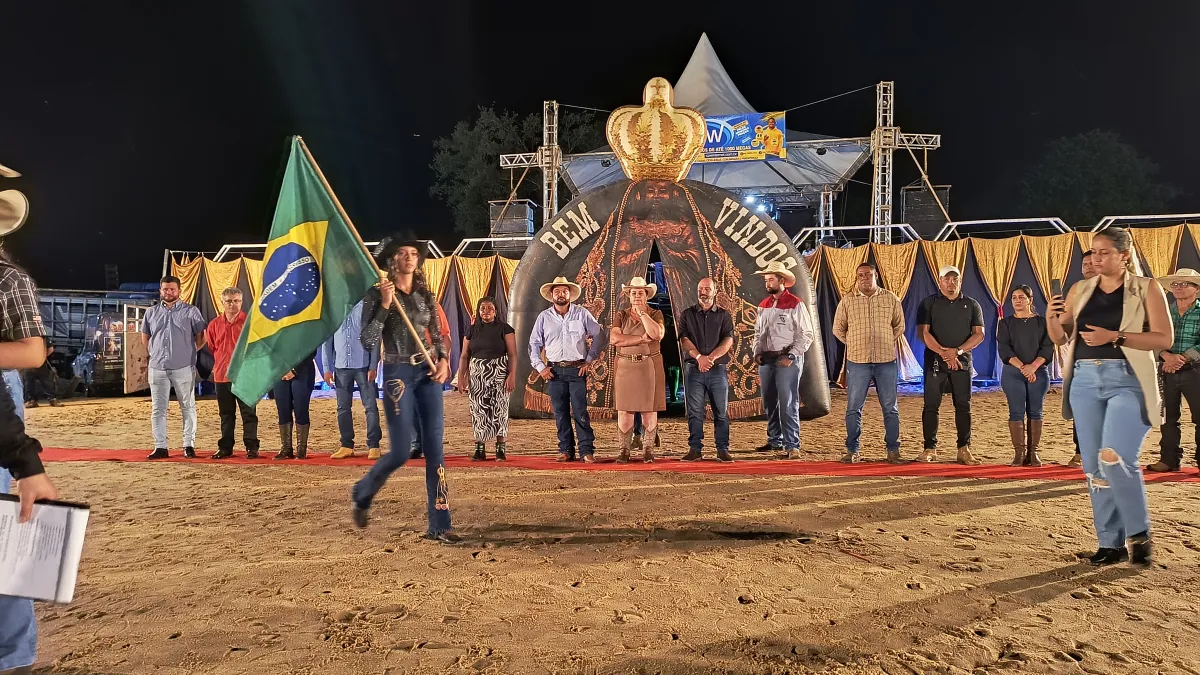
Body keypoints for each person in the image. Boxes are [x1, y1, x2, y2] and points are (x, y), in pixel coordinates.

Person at [1047, 227, 1170, 567]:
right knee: (1094, 468)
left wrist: (1115, 336)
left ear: (1124, 255)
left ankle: (1139, 533)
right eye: (1093, 252)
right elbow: (1060, 338)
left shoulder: (1147, 288)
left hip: (1128, 379)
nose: (1096, 258)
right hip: (1084, 380)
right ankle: (1110, 544)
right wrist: (1051, 317)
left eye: (1104, 252)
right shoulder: (1080, 289)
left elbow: (1163, 338)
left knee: (1113, 458)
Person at [351, 236, 460, 545]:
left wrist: (443, 361)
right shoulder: (376, 295)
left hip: (427, 371)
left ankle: (440, 524)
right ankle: (363, 491)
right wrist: (386, 305)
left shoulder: (425, 294)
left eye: (414, 253)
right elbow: (367, 340)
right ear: (391, 260)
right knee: (400, 451)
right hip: (397, 374)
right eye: (403, 253)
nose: (410, 257)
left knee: (435, 450)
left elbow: (437, 333)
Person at [0, 252, 60, 675]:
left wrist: (25, 462)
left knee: (8, 528)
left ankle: (13, 654)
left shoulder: (8, 278)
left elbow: (34, 352)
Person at [832, 263, 905, 463]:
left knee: (890, 407)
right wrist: (854, 343)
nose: (865, 278)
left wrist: (887, 340)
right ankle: (852, 450)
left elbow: (899, 325)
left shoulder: (890, 298)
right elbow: (837, 329)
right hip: (858, 361)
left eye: (868, 274)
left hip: (886, 361)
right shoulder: (847, 301)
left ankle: (893, 450)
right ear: (857, 277)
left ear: (876, 275)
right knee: (854, 407)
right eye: (861, 275)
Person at [529, 276, 604, 463]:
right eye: (557, 291)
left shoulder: (582, 313)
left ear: (570, 294)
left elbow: (600, 335)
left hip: (576, 369)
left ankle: (586, 450)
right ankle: (566, 450)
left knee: (580, 411)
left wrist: (589, 360)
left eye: (564, 291)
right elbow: (533, 344)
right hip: (554, 371)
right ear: (552, 295)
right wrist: (541, 367)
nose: (561, 294)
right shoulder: (544, 317)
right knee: (560, 412)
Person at [916, 265, 985, 465]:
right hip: (934, 362)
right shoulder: (928, 303)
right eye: (946, 279)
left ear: (960, 281)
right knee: (931, 405)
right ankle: (930, 449)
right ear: (940, 281)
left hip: (962, 362)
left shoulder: (972, 305)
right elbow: (923, 333)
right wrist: (945, 354)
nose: (951, 283)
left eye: (955, 279)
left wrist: (957, 352)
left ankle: (964, 449)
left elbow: (979, 334)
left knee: (963, 405)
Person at [753, 261, 815, 459]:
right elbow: (758, 333)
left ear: (782, 281)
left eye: (771, 279)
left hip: (786, 357)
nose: (767, 283)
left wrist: (792, 354)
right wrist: (757, 352)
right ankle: (775, 440)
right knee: (769, 401)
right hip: (767, 359)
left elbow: (807, 334)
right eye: (766, 280)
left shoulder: (795, 304)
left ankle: (792, 444)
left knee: (788, 401)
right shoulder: (763, 305)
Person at [141, 275, 206, 460]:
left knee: (188, 406)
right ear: (160, 290)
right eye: (165, 289)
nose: (168, 292)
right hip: (157, 368)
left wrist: (188, 352)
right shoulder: (151, 313)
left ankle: (188, 445)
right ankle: (160, 447)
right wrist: (154, 352)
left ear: (179, 290)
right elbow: (145, 337)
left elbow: (202, 336)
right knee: (158, 409)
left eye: (172, 289)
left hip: (183, 367)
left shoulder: (191, 311)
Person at [1149, 268, 1200, 473]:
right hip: (1167, 369)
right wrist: (1166, 356)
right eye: (1175, 284)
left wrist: (1183, 358)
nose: (1178, 287)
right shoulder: (1164, 312)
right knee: (1168, 418)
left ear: (1197, 289)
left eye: (1184, 284)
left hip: (1195, 370)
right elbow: (1152, 337)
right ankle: (1169, 459)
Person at [678, 277, 734, 462]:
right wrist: (699, 357)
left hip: (717, 370)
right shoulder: (687, 314)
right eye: (700, 288)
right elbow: (684, 339)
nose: (703, 292)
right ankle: (695, 449)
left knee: (721, 412)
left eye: (707, 289)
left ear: (715, 291)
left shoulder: (724, 315)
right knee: (695, 412)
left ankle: (722, 449)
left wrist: (710, 359)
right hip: (694, 369)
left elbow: (728, 340)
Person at [997, 285, 1055, 466]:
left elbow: (1047, 348)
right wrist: (1024, 368)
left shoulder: (1043, 323)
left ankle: (1033, 453)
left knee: (1035, 411)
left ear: (1030, 300)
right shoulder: (1005, 324)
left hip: (1039, 373)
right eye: (1014, 297)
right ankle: (1019, 453)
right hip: (1013, 373)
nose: (1017, 300)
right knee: (1016, 411)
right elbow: (1004, 349)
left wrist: (1034, 367)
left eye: (1021, 297)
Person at [611, 276, 666, 463]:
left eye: (640, 293)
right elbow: (615, 339)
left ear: (646, 295)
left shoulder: (656, 314)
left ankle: (648, 449)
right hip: (625, 367)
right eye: (633, 293)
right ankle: (624, 450)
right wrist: (640, 340)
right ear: (629, 295)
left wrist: (642, 314)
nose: (636, 296)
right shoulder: (621, 315)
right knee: (624, 410)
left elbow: (656, 334)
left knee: (649, 409)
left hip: (648, 367)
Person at [456, 297, 516, 461]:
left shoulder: (505, 329)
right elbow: (464, 355)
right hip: (477, 373)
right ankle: (479, 448)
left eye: (490, 308)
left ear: (495, 311)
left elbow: (512, 354)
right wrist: (461, 377)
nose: (486, 311)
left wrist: (512, 375)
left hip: (499, 371)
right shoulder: (472, 330)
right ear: (478, 311)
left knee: (500, 408)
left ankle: (500, 449)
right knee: (478, 409)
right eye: (483, 308)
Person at [324, 300, 383, 461]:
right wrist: (327, 368)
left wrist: (373, 365)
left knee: (370, 406)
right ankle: (346, 445)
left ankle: (374, 445)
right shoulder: (334, 310)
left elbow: (375, 338)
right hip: (341, 366)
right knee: (342, 408)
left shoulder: (367, 308)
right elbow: (327, 341)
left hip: (363, 366)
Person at [206, 288, 259, 459]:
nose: (232, 304)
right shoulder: (214, 325)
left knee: (249, 414)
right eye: (229, 301)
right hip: (222, 376)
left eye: (236, 300)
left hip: (245, 377)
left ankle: (251, 447)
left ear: (242, 302)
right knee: (226, 415)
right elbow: (212, 347)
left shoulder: (251, 323)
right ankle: (225, 448)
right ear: (222, 303)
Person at [1067, 250, 1098, 468]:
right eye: (1084, 263)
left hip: (1112, 359)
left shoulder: (1118, 292)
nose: (1087, 266)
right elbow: (1066, 328)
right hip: (1082, 359)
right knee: (1081, 408)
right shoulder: (1076, 292)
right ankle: (1080, 451)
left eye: (1092, 263)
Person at [410, 303, 451, 461]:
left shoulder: (433, 306)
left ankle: (433, 446)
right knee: (411, 407)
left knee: (431, 409)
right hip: (406, 364)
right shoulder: (397, 306)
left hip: (429, 362)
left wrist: (444, 361)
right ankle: (416, 445)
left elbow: (445, 336)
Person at [272, 351, 316, 460]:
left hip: (303, 371)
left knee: (301, 409)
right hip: (279, 370)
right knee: (283, 410)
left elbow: (311, 350)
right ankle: (286, 448)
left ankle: (301, 448)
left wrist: (295, 370)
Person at [22, 341, 61, 408]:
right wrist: (42, 356)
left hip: (28, 362)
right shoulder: (42, 337)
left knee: (29, 383)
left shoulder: (23, 337)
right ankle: (52, 399)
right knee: (46, 382)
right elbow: (50, 349)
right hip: (39, 362)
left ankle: (31, 401)